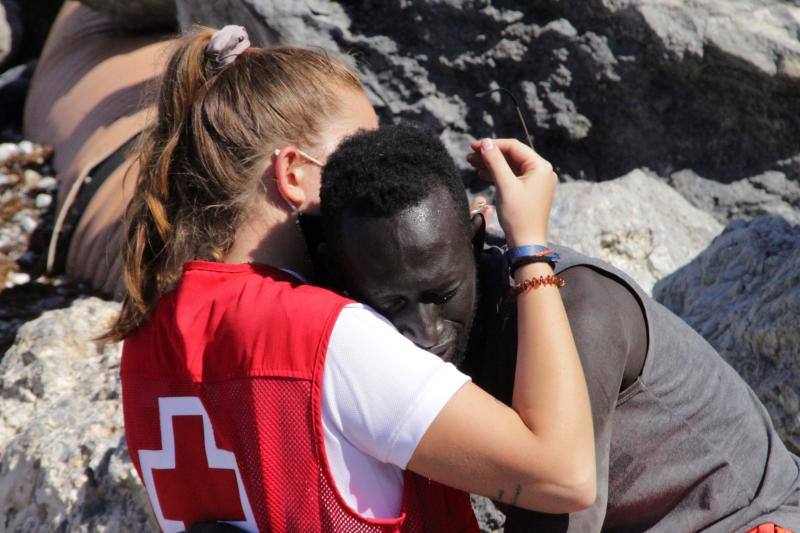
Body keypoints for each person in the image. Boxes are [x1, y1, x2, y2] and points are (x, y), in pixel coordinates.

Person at [112, 26, 596, 532]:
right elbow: (565, 475)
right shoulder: (330, 337)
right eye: (356, 151)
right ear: (294, 174)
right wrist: (530, 250)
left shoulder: (144, 339)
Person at [318, 124, 800, 532]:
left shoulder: (577, 312)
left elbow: (558, 519)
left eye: (442, 296)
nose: (423, 331)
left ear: (475, 238)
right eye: (390, 304)